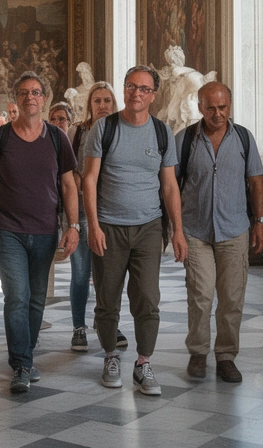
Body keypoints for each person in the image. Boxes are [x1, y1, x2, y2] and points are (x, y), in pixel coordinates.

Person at [0, 72, 80, 394]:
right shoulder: (0, 137)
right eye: (23, 93)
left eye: (35, 92)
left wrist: (73, 226)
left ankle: (26, 356)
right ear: (16, 99)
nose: (29, 97)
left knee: (35, 300)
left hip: (45, 230)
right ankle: (20, 363)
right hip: (8, 230)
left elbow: (69, 185)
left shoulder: (57, 138)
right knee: (16, 297)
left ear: (44, 98)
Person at [81, 69, 187, 395]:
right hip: (109, 227)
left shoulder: (161, 133)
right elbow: (89, 179)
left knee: (147, 298)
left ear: (154, 94)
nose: (137, 93)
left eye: (144, 88)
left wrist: (178, 231)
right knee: (107, 298)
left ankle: (143, 363)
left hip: (148, 227)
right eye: (131, 87)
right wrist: (93, 226)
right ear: (124, 90)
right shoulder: (105, 128)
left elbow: (169, 186)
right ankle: (111, 355)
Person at [175, 82, 263, 383]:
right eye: (211, 107)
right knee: (200, 295)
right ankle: (198, 354)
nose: (218, 113)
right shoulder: (185, 139)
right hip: (195, 230)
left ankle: (226, 356)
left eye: (223, 107)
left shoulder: (243, 138)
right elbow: (170, 186)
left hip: (234, 228)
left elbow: (255, 181)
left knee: (231, 298)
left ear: (230, 105)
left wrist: (261, 221)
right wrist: (174, 228)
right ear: (200, 107)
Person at [66, 81, 117, 352]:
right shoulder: (78, 132)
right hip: (85, 213)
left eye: (107, 100)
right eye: (97, 101)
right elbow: (70, 172)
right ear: (90, 105)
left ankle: (107, 322)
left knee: (109, 275)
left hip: (114, 213)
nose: (102, 106)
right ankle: (78, 326)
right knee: (81, 273)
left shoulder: (123, 129)